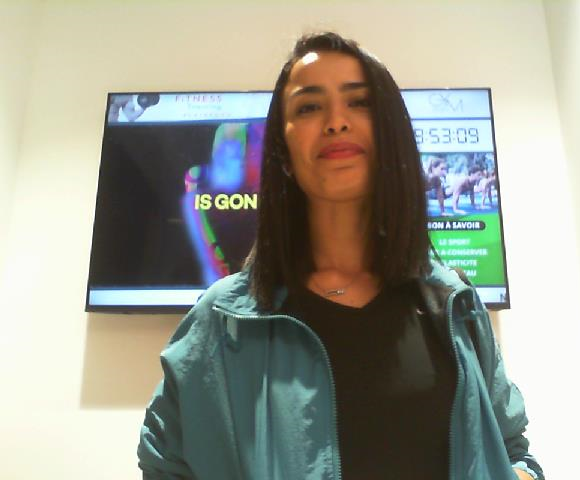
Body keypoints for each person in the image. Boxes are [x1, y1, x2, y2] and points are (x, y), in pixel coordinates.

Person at [137, 32, 544, 480]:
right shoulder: (223, 320)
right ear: (282, 151)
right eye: (309, 107)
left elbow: (512, 450)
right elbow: (165, 465)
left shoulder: (454, 304)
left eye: (359, 102)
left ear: (390, 132)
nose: (336, 121)